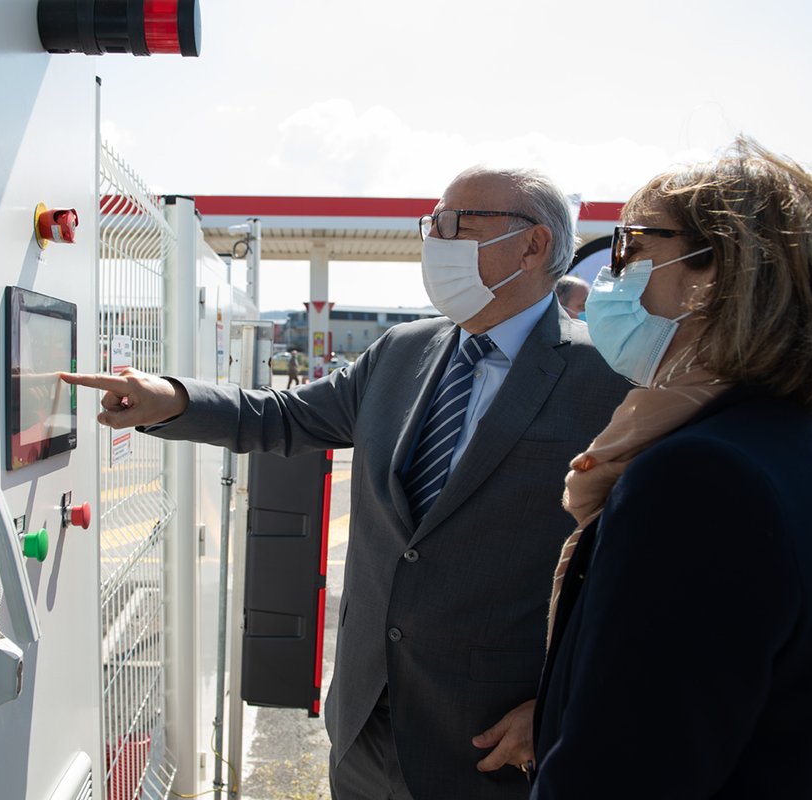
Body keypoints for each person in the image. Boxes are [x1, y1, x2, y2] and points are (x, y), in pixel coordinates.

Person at [62, 165, 631, 800]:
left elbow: (637, 579)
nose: (436, 240)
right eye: (432, 223)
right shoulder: (402, 350)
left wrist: (559, 706)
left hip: (493, 740)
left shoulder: (607, 381)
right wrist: (170, 399)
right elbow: (287, 416)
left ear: (533, 246)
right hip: (366, 716)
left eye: (458, 224)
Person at [530, 138, 812, 798]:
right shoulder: (785, 445)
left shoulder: (703, 480)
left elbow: (627, 769)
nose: (609, 276)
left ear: (715, 273)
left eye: (632, 246)